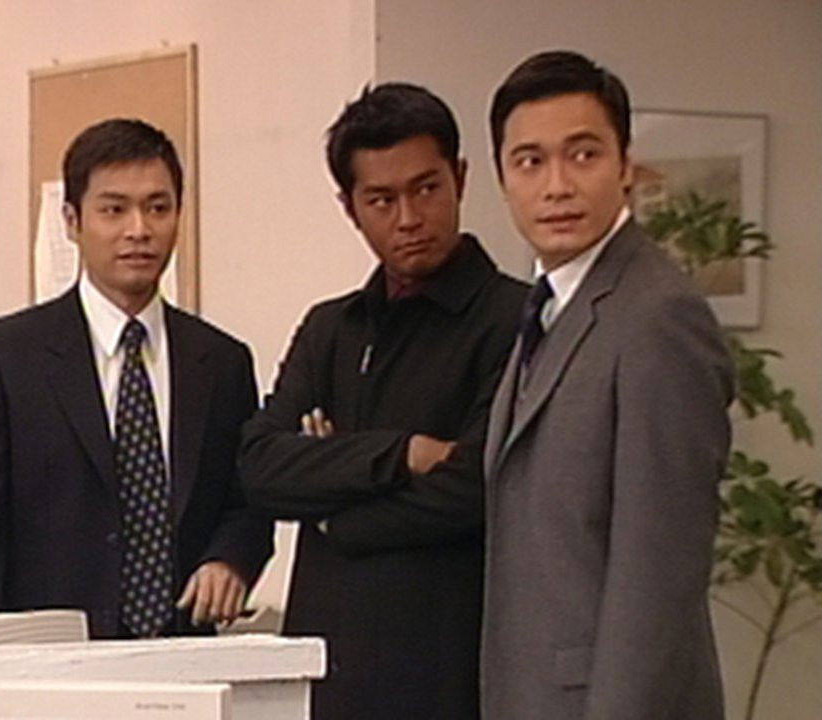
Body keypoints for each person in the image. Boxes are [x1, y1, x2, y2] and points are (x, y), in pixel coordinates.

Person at [239, 83, 526, 718]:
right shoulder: (330, 328)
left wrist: (332, 514)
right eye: (381, 200)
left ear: (460, 178)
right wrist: (405, 454)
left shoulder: (515, 319)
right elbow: (261, 469)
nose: (408, 218)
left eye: (426, 189)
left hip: (451, 665)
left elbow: (476, 487)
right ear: (349, 207)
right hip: (326, 667)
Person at [0, 118, 271, 639]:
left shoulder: (222, 361)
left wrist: (231, 560)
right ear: (72, 220)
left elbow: (248, 499)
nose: (139, 229)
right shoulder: (3, 357)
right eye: (114, 210)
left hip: (186, 655)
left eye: (158, 208)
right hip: (49, 658)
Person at [481, 50, 733, 719]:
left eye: (583, 155)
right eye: (530, 161)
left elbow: (659, 577)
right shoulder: (551, 304)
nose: (557, 185)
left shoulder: (658, 316)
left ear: (626, 166)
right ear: (503, 179)